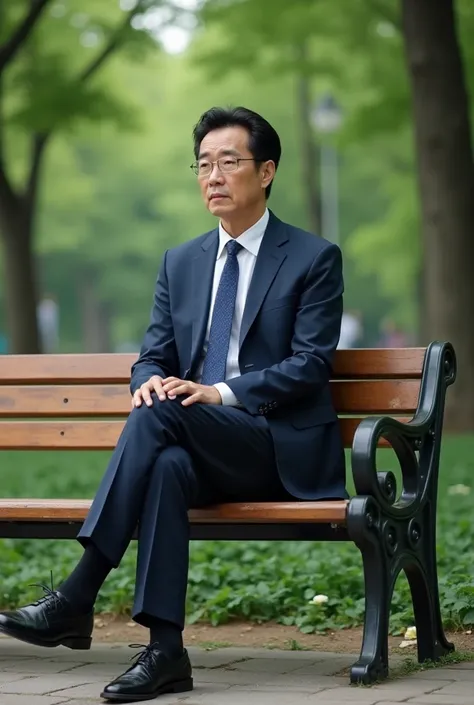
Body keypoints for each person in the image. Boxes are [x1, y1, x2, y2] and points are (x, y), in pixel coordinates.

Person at [0, 107, 346, 702]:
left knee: (161, 418)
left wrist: (220, 392)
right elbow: (152, 354)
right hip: (194, 440)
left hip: (274, 446)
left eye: (228, 162)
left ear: (265, 172)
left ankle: (77, 596)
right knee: (164, 461)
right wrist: (148, 380)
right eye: (204, 164)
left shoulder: (313, 257)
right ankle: (165, 652)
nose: (213, 175)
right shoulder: (181, 261)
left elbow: (312, 364)